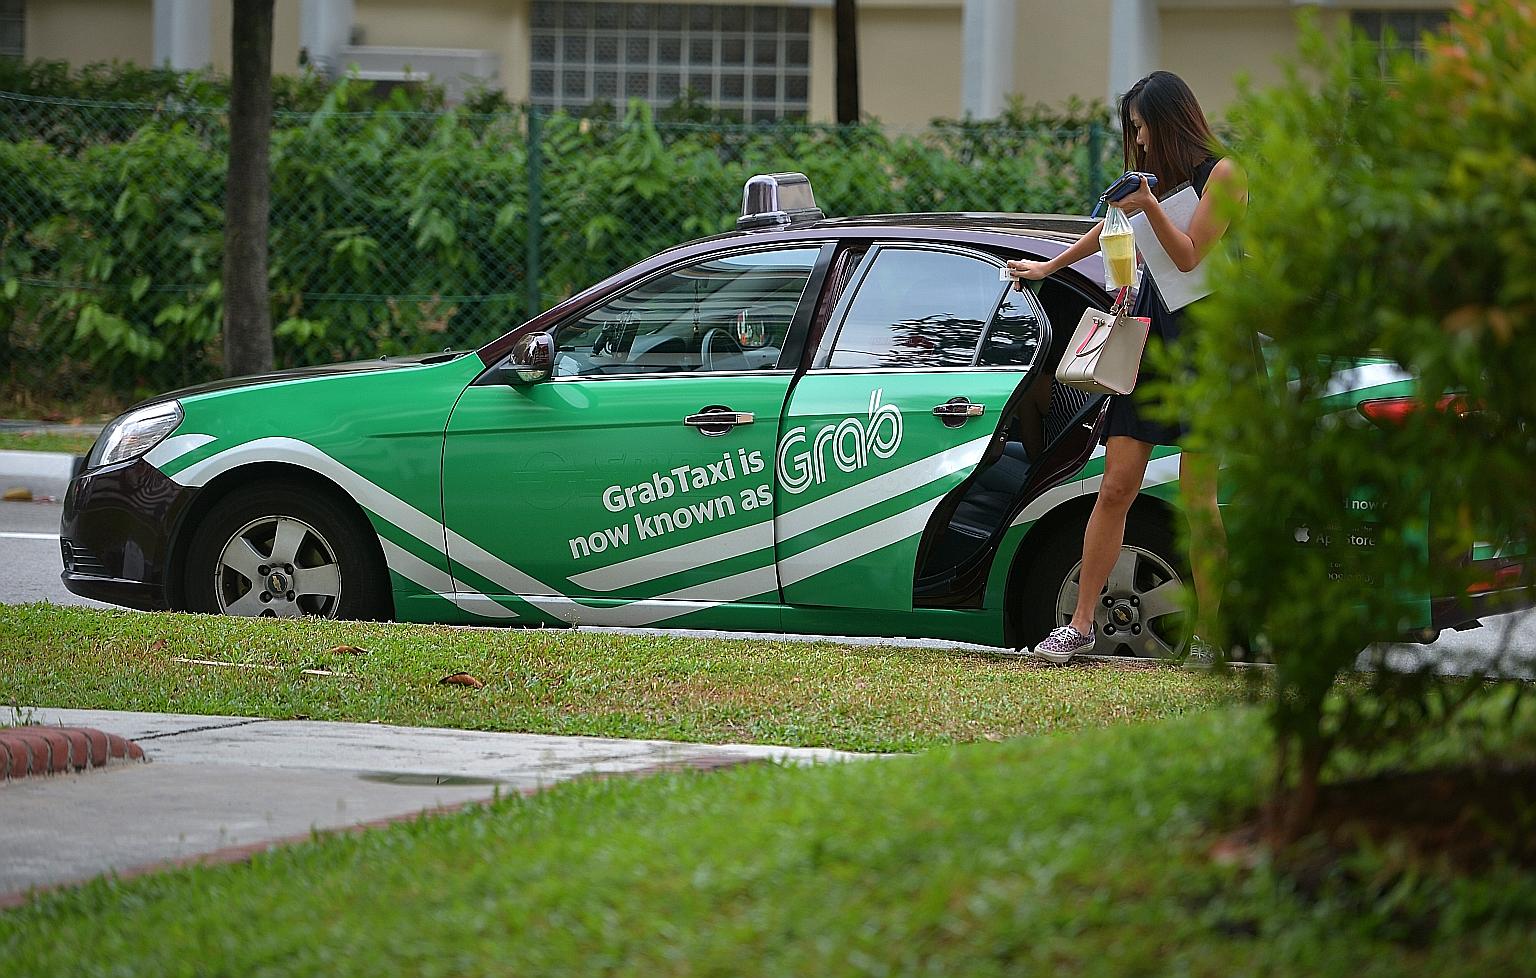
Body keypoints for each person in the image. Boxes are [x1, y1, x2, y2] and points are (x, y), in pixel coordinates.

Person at [1006, 70, 1248, 665]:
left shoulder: (1224, 174)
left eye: (1141, 128)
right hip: (1150, 337)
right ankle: (1081, 625)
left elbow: (1190, 254)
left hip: (1209, 343)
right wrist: (1049, 268)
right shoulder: (1152, 182)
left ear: (1168, 122)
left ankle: (1216, 636)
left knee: (1200, 499)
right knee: (1115, 486)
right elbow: (1107, 231)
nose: (1136, 142)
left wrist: (1147, 206)